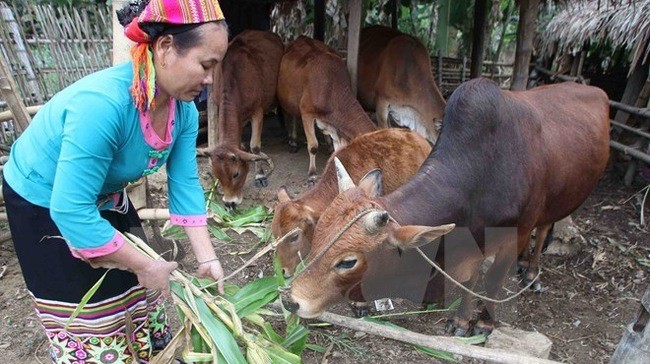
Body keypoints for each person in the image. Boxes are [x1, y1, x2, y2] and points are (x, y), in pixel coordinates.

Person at [2, 0, 228, 362]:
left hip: (105, 193)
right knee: (89, 304)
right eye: (206, 65)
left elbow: (184, 183)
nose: (210, 80)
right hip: (44, 200)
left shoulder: (182, 110)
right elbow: (71, 209)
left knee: (138, 292)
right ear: (165, 48)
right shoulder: (102, 107)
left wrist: (207, 258)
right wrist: (145, 265)